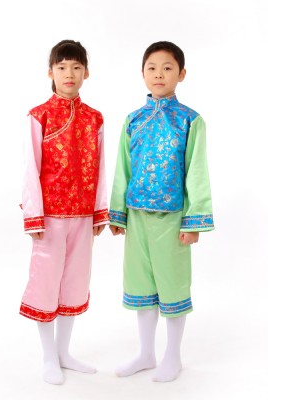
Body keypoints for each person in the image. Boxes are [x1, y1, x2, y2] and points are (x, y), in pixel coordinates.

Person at [109, 41, 214, 382]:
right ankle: (145, 353)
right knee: (141, 286)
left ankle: (173, 356)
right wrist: (117, 213)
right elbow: (123, 168)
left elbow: (196, 171)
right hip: (137, 216)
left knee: (172, 285)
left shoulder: (190, 121)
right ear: (142, 73)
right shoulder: (133, 120)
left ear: (181, 74)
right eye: (152, 68)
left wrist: (194, 220)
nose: (159, 74)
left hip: (172, 218)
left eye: (168, 68)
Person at [20, 40, 109, 385]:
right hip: (50, 217)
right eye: (61, 67)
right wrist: (34, 215)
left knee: (74, 282)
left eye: (76, 67)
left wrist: (99, 212)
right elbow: (31, 168)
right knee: (46, 283)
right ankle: (48, 356)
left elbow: (101, 166)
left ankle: (64, 352)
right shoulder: (38, 115)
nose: (69, 74)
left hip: (83, 216)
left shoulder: (95, 118)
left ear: (86, 72)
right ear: (50, 73)